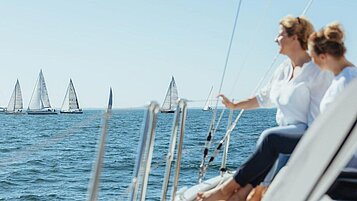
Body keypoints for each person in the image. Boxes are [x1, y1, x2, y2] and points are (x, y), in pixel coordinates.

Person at [196, 15, 333, 201]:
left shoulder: (317, 71)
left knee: (269, 139)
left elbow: (320, 121)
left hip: (308, 135)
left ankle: (226, 190)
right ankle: (240, 193)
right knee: (270, 146)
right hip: (284, 139)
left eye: (280, 35)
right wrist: (234, 105)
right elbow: (263, 98)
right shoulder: (283, 70)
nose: (275, 39)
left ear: (294, 37)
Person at [308, 22, 357, 200]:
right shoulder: (342, 78)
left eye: (312, 56)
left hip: (348, 160)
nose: (312, 62)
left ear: (323, 56)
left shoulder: (348, 81)